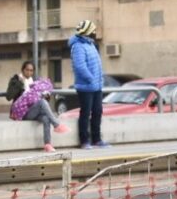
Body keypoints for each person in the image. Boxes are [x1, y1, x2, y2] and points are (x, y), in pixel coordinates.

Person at [6, 61, 68, 152]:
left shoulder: (34, 82)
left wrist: (46, 96)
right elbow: (8, 96)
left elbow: (36, 98)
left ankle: (48, 144)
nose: (29, 72)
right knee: (42, 103)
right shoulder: (16, 80)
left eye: (31, 71)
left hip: (33, 110)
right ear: (23, 70)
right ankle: (56, 124)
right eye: (27, 70)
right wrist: (20, 83)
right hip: (22, 113)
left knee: (46, 118)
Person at [69, 20, 110, 150]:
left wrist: (99, 79)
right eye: (93, 30)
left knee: (97, 111)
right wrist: (91, 79)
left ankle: (97, 139)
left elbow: (97, 64)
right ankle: (84, 141)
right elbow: (79, 66)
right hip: (86, 87)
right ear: (87, 32)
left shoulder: (91, 44)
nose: (95, 33)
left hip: (96, 86)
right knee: (85, 113)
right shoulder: (78, 46)